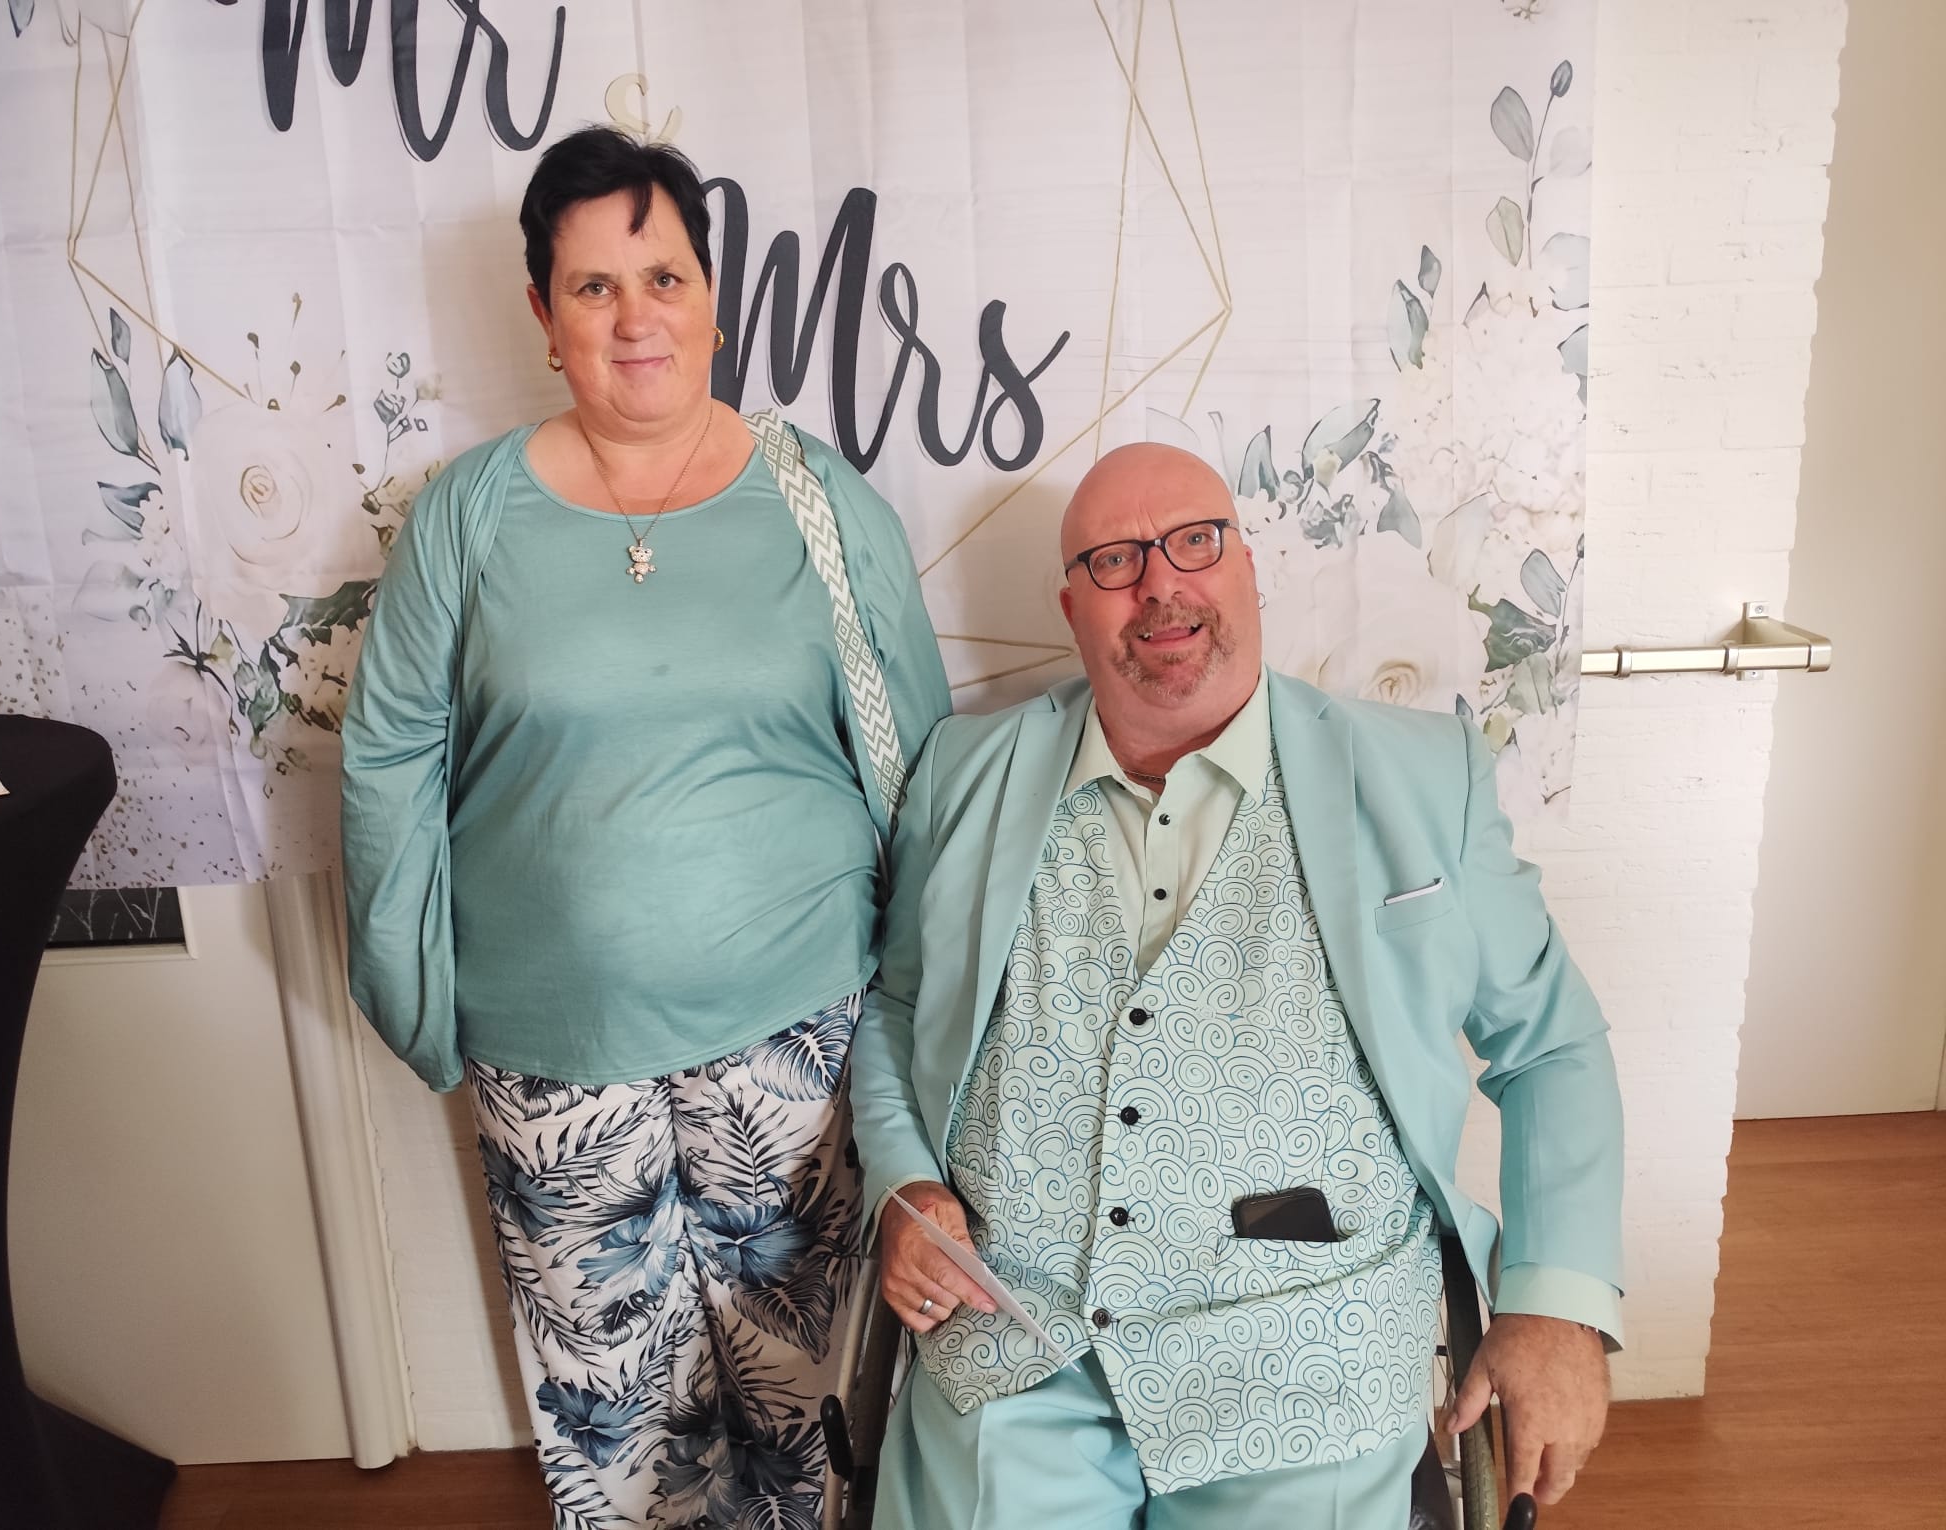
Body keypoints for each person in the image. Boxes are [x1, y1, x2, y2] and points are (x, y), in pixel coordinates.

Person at [340, 125, 951, 1528]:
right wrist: (416, 1001)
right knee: (621, 1430)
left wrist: (922, 1016)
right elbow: (386, 762)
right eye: (594, 286)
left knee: (811, 1408)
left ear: (712, 299)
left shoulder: (819, 503)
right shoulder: (467, 515)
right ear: (544, 314)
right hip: (553, 1060)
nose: (635, 317)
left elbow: (918, 766)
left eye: (663, 277)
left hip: (798, 1040)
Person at [851, 442, 1621, 1529]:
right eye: (1115, 561)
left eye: (1195, 543)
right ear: (1072, 605)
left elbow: (1551, 1045)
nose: (1161, 585)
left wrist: (1556, 1306)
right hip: (1018, 1344)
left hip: (1310, 1355)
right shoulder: (962, 773)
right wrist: (902, 1186)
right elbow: (895, 1011)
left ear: (1249, 568)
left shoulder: (1423, 775)